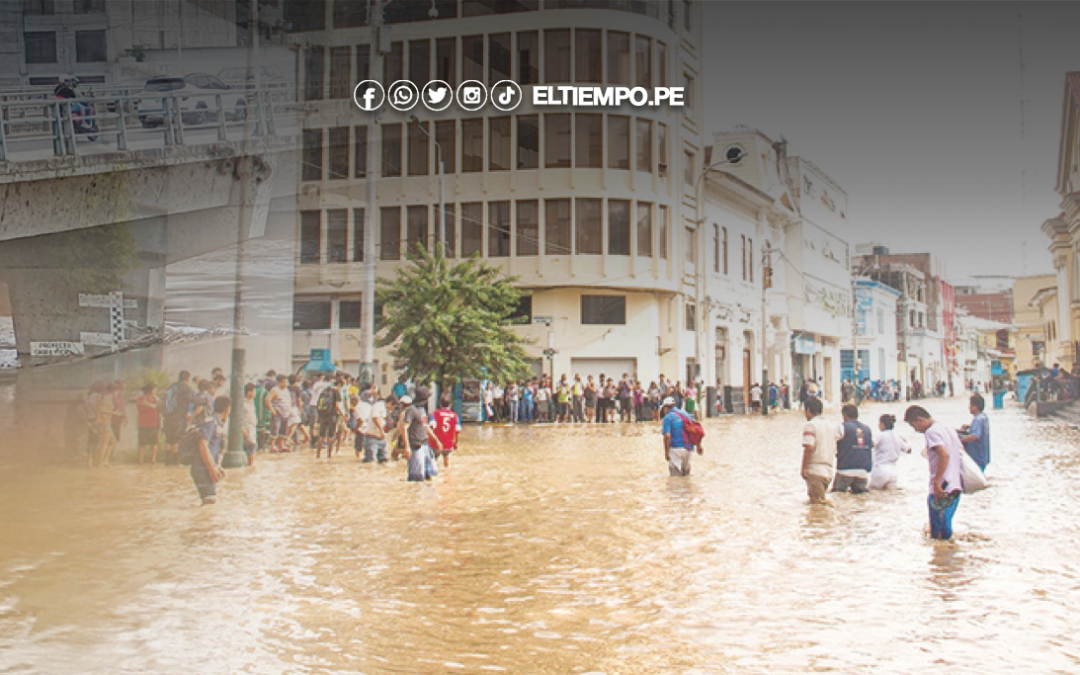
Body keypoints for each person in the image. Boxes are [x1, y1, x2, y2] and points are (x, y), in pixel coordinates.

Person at [904, 405, 964, 540]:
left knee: (938, 533)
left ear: (920, 420)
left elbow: (944, 455)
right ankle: (947, 556)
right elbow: (960, 452)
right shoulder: (948, 429)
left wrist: (937, 483)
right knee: (945, 529)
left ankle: (941, 558)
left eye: (913, 426)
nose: (915, 430)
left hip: (942, 487)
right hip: (955, 485)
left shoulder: (931, 432)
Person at [191, 395, 230, 506]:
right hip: (202, 467)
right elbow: (203, 445)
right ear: (227, 409)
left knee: (209, 504)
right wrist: (211, 468)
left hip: (206, 466)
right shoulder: (210, 422)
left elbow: (212, 448)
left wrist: (216, 466)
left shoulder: (215, 422)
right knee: (209, 503)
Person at [399, 387, 443, 481]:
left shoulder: (422, 410)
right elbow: (404, 427)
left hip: (425, 445)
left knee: (432, 471)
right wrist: (407, 447)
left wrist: (436, 440)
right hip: (416, 446)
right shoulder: (411, 410)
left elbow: (426, 426)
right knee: (417, 477)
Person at [800, 396, 837, 505]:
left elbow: (809, 447)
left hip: (815, 470)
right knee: (820, 503)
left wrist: (803, 468)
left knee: (816, 505)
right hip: (828, 471)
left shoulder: (810, 425)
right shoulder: (831, 426)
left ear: (807, 410)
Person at [833, 404, 873, 493]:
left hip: (845, 470)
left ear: (844, 415)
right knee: (860, 500)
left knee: (838, 496)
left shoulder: (842, 427)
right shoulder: (867, 429)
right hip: (863, 471)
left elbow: (831, 441)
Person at [660, 396, 701, 476]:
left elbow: (667, 436)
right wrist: (699, 445)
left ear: (666, 407)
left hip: (676, 449)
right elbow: (696, 430)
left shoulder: (668, 417)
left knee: (675, 477)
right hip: (689, 448)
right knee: (686, 475)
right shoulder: (686, 414)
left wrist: (666, 452)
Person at [162, 371, 196, 465]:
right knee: (177, 440)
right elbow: (192, 400)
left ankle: (167, 462)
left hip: (168, 416)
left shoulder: (171, 387)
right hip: (179, 417)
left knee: (168, 439)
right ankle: (175, 462)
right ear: (188, 378)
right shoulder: (187, 388)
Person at [869, 414, 910, 490]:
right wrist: (904, 441)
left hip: (880, 470)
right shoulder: (898, 437)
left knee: (872, 493)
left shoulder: (880, 435)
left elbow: (870, 444)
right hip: (893, 472)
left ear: (882, 424)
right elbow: (908, 450)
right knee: (890, 497)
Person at [960, 393, 991, 472]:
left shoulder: (977, 419)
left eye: (970, 405)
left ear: (974, 407)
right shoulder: (983, 417)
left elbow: (975, 436)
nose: (969, 407)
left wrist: (961, 440)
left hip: (977, 457)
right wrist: (969, 426)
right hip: (983, 457)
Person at [359, 385, 389, 463]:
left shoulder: (379, 405)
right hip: (371, 435)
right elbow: (375, 417)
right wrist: (382, 431)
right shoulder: (368, 400)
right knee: (370, 461)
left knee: (383, 460)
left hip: (378, 435)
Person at [430, 393, 461, 468]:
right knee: (447, 465)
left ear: (440, 404)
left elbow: (431, 427)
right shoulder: (455, 415)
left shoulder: (435, 414)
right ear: (450, 405)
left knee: (433, 463)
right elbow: (457, 431)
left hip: (436, 443)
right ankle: (447, 478)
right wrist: (456, 443)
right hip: (448, 443)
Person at [135, 383, 160, 464]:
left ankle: (153, 459)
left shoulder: (155, 399)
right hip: (143, 424)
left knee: (154, 443)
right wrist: (154, 405)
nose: (155, 391)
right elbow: (144, 404)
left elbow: (159, 408)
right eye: (154, 389)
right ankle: (140, 460)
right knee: (142, 443)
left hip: (154, 423)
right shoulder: (141, 399)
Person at [242, 383, 258, 466]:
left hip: (252, 428)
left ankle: (250, 467)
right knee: (251, 448)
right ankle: (250, 466)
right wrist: (242, 428)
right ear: (249, 392)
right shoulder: (242, 403)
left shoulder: (251, 401)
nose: (255, 393)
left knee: (253, 449)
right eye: (254, 391)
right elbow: (238, 417)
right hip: (247, 429)